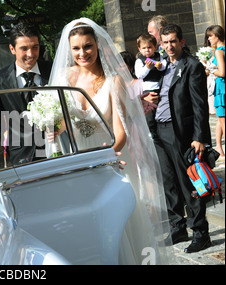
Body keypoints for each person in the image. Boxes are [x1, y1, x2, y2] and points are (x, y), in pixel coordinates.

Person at [48, 17, 171, 264]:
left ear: (97, 45)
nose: (82, 53)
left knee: (116, 226)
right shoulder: (63, 78)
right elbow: (62, 122)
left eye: (87, 46)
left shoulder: (114, 81)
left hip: (109, 158)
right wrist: (52, 129)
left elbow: (121, 132)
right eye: (76, 48)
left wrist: (103, 158)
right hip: (76, 162)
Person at [148, 24, 212, 253]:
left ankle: (201, 232)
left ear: (182, 42)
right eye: (165, 42)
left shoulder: (191, 65)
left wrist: (199, 137)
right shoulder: (160, 66)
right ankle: (178, 227)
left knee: (188, 184)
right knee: (169, 183)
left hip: (180, 133)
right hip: (158, 130)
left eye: (173, 41)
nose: (169, 46)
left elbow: (200, 105)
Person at [0, 22, 53, 166]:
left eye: (35, 47)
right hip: (20, 157)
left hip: (56, 150)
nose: (30, 54)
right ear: (12, 49)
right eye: (24, 49)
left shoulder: (53, 70)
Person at [205, 25, 225, 159]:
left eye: (210, 36)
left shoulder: (219, 51)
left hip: (221, 89)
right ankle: (219, 146)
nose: (209, 39)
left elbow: (222, 72)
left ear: (217, 35)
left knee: (224, 122)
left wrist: (209, 70)